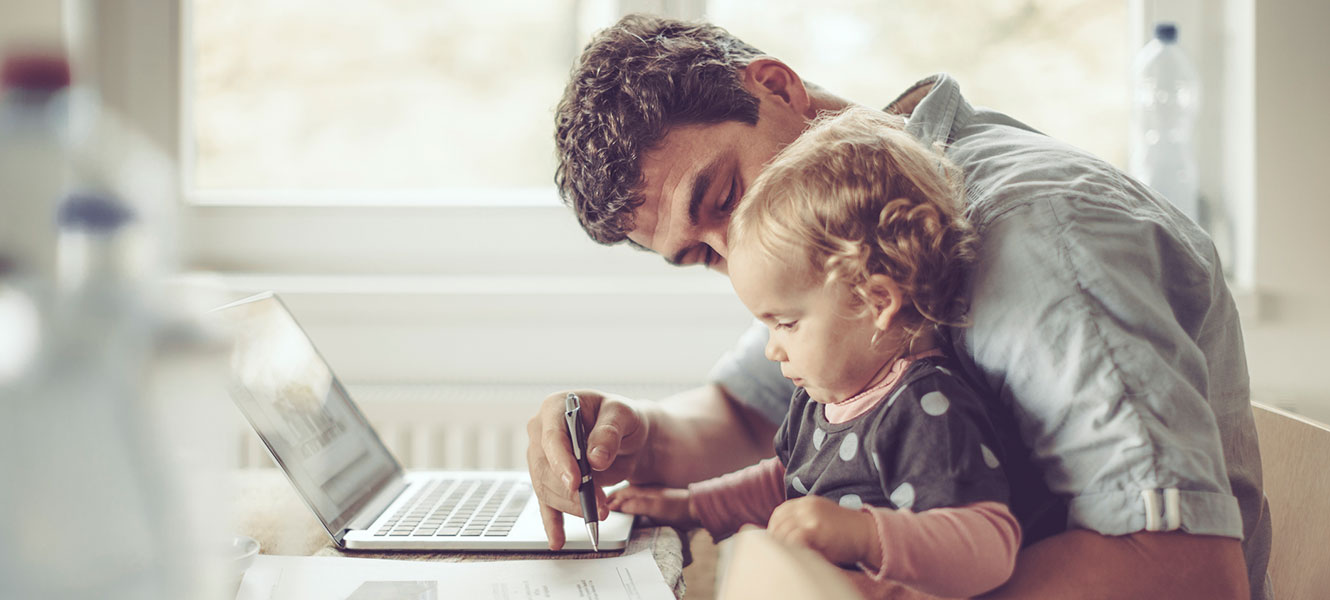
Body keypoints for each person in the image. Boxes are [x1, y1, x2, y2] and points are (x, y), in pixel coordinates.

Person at [531, 14, 1266, 599]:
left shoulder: (1037, 237)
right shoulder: (841, 224)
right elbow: (746, 416)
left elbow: (1190, 577)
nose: (738, 262)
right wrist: (629, 433)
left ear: (779, 88)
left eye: (723, 197)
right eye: (704, 257)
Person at [606, 105, 1064, 599]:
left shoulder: (925, 408)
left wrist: (862, 533)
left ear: (876, 300)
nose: (772, 349)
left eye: (785, 323)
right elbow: (785, 482)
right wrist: (691, 507)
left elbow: (989, 546)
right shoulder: (824, 399)